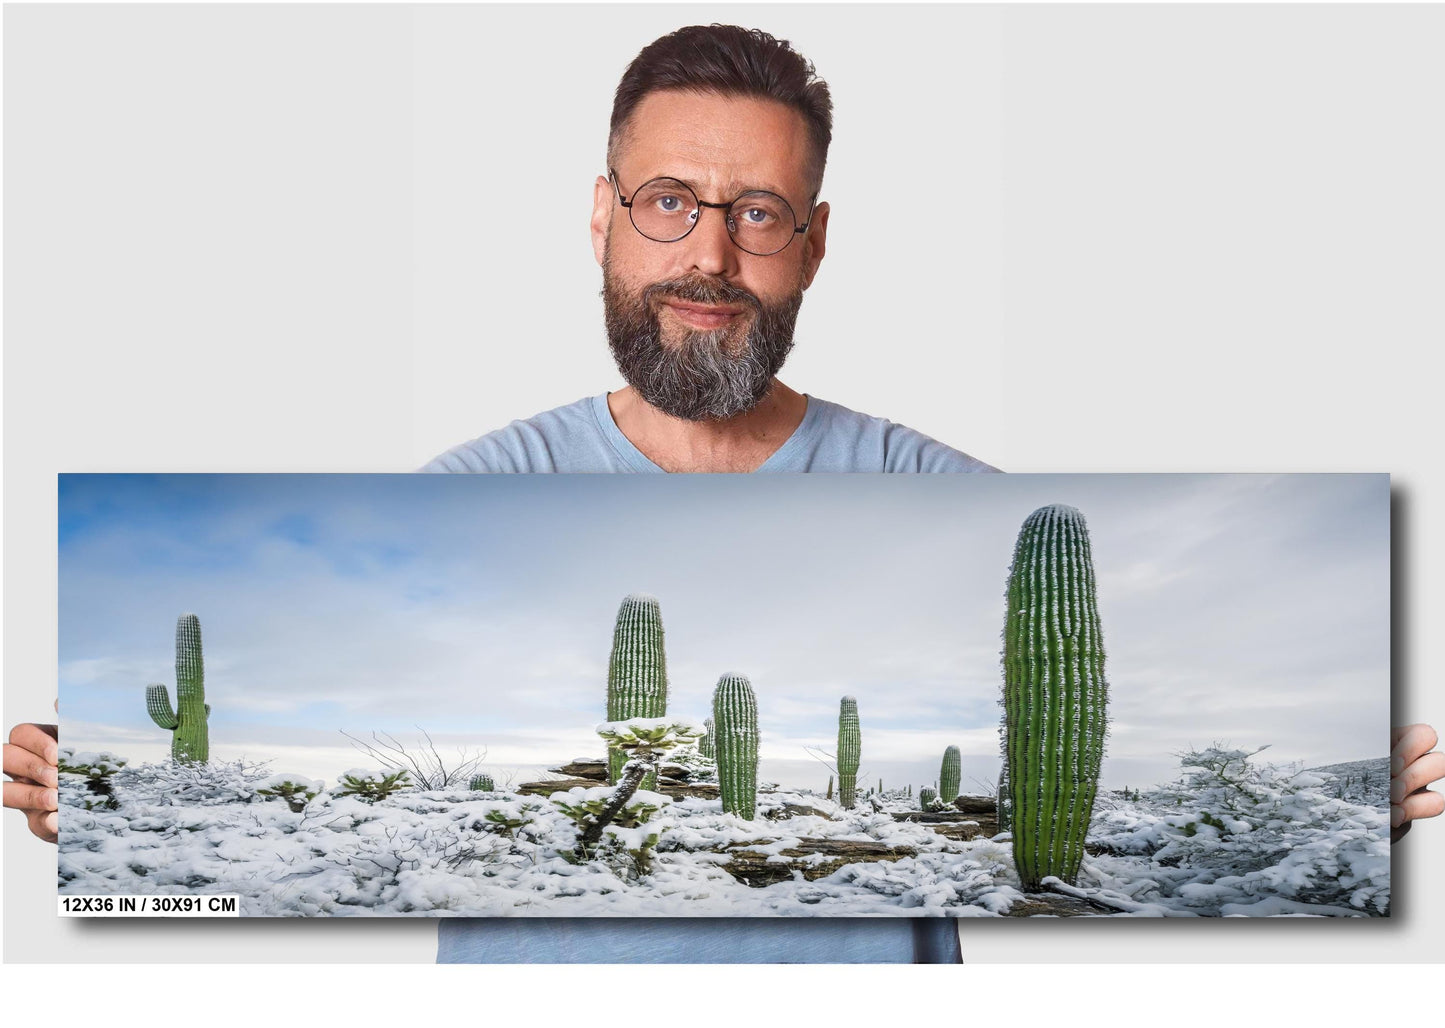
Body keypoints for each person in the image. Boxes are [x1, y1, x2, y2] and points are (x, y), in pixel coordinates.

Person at [8, 24, 1443, 962]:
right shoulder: (472, 489)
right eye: (668, 202)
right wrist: (115, 811)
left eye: (756, 213)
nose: (709, 254)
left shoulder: (947, 497)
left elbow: (1118, 679)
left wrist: (1349, 797)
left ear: (811, 244)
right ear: (601, 215)